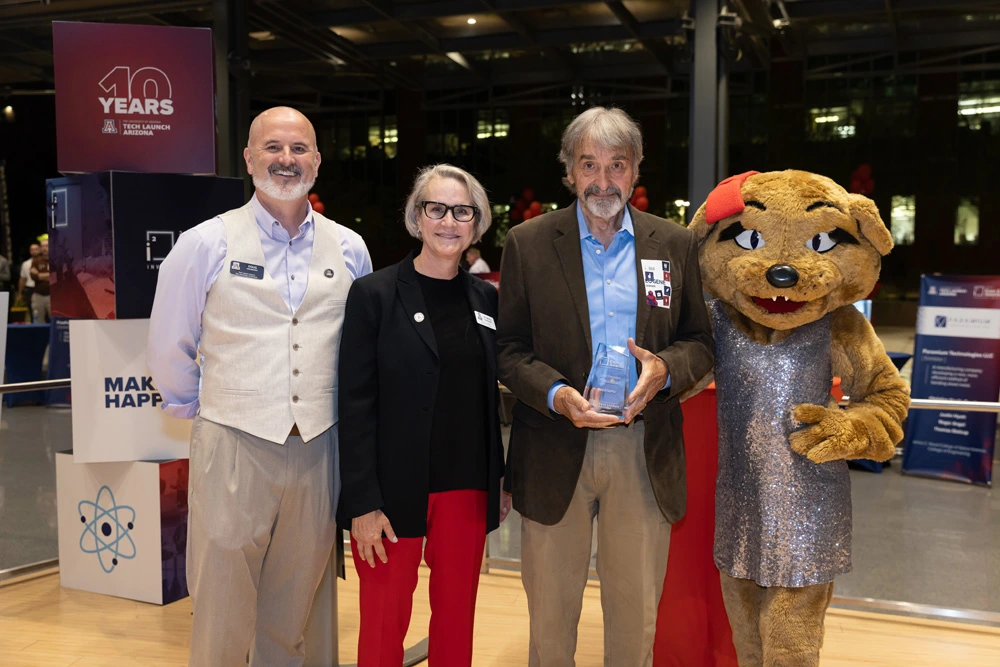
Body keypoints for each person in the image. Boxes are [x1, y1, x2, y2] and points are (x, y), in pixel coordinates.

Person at [147, 106, 372, 667]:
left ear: (317, 161)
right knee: (222, 613)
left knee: (290, 615)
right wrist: (211, 407)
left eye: (298, 149)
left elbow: (362, 350)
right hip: (233, 446)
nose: (286, 160)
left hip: (320, 448)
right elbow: (168, 343)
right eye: (273, 147)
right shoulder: (205, 243)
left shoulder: (350, 248)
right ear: (248, 158)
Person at [496, 106, 714, 666]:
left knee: (635, 616)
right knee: (549, 619)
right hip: (552, 445)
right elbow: (509, 350)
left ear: (635, 169)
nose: (602, 180)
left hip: (642, 450)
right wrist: (555, 394)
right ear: (568, 170)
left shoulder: (673, 243)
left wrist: (664, 370)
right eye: (588, 164)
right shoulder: (527, 243)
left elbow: (700, 343)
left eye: (616, 165)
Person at [338, 163, 510, 667]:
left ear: (476, 224)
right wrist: (362, 502)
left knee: (457, 620)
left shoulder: (485, 298)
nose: (448, 221)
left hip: (465, 487)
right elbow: (354, 402)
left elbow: (487, 399)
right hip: (391, 493)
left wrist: (496, 478)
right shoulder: (374, 294)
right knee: (383, 625)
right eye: (436, 209)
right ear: (417, 217)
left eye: (462, 212)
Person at [29, 239, 50, 323]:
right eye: (42, 246)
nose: (44, 248)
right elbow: (33, 277)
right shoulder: (36, 261)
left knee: (56, 320)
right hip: (38, 295)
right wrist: (49, 274)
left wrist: (39, 274)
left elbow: (58, 276)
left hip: (53, 296)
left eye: (47, 246)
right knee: (38, 320)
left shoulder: (57, 259)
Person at [19, 242, 39, 321]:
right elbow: (22, 279)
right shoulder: (25, 264)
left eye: (36, 249)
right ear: (30, 251)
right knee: (31, 310)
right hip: (29, 289)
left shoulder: (47, 262)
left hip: (42, 288)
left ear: (40, 249)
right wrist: (20, 293)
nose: (34, 251)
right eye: (32, 250)